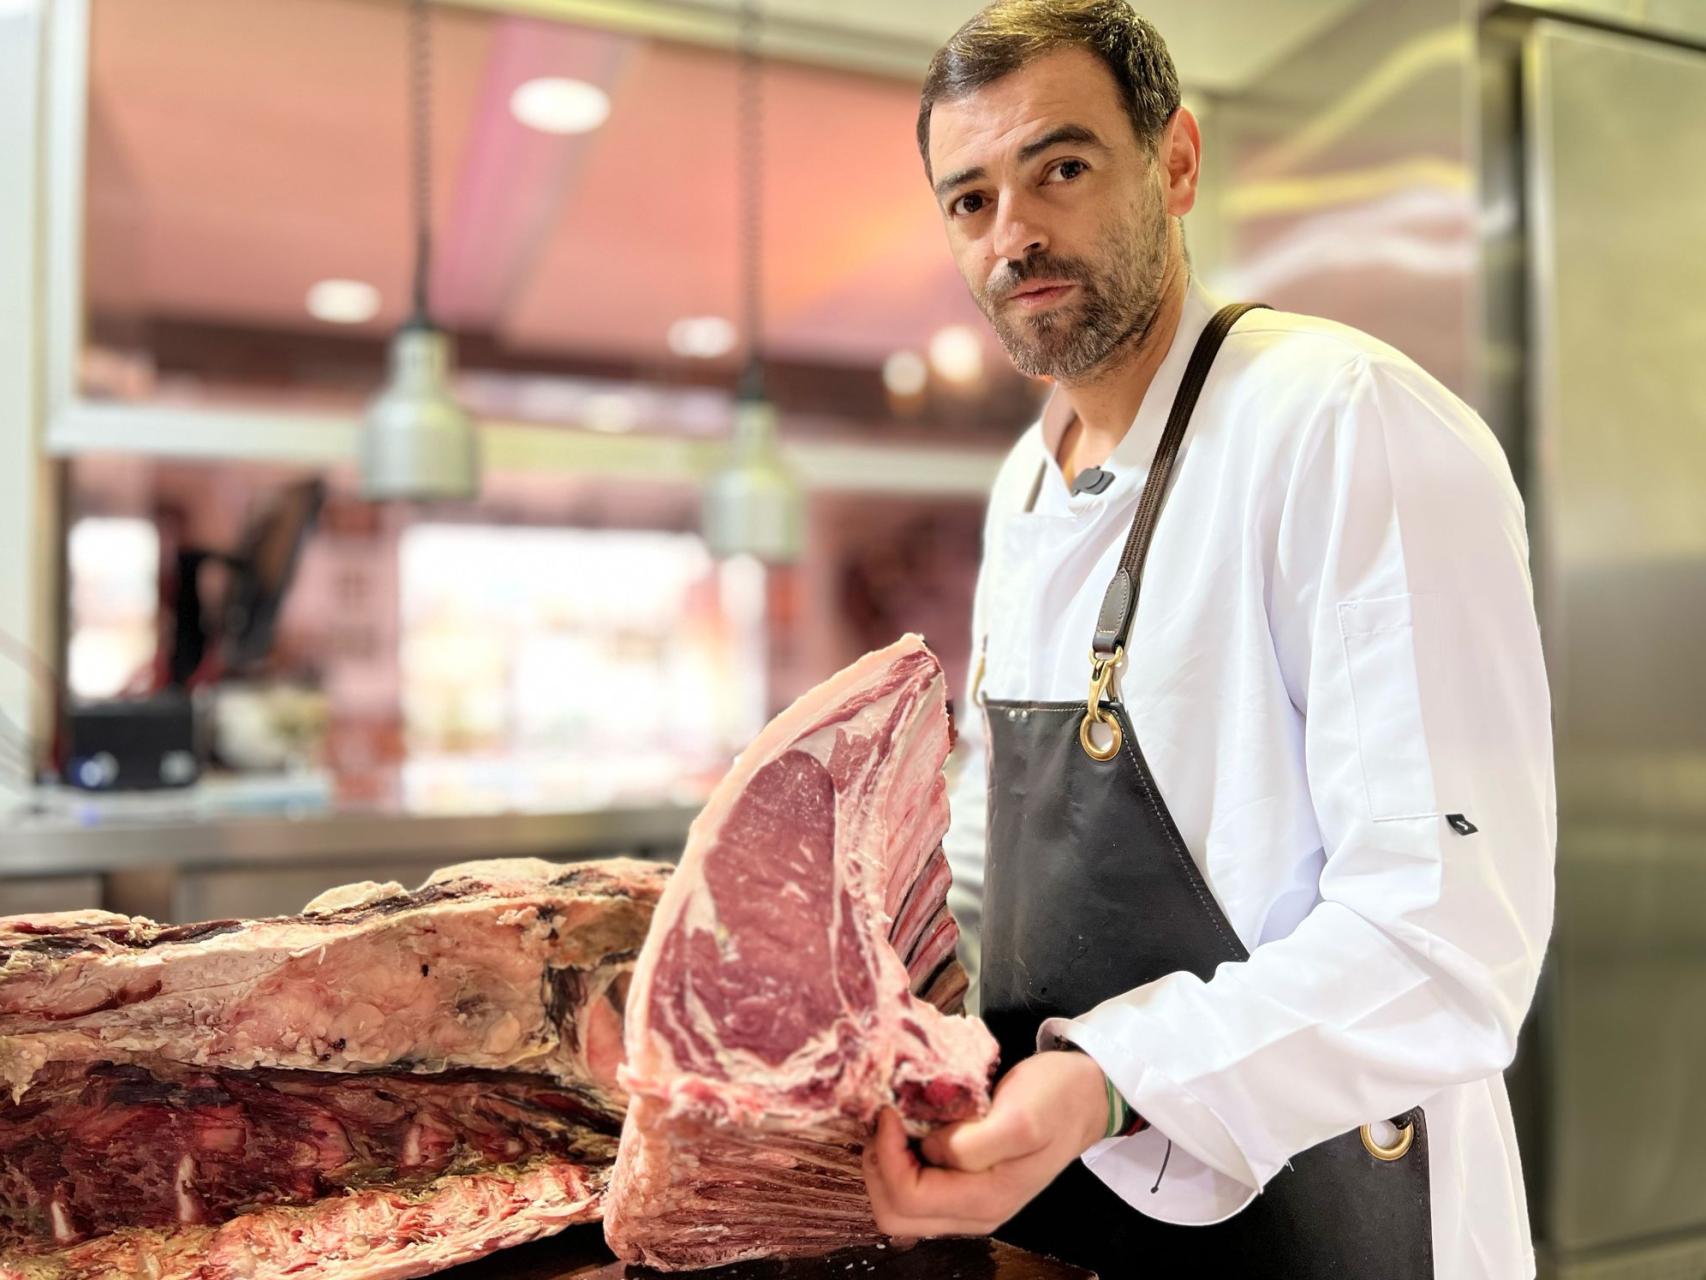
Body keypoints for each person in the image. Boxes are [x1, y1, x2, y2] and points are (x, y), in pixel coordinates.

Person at [859, 4, 1556, 1277]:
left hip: (1341, 1216)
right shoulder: (1026, 481)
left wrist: (1108, 1082)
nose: (1013, 233)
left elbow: (1445, 937)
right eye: (968, 200)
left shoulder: (1342, 423)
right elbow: (986, 853)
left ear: (1174, 162)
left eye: (1059, 168)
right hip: (1076, 1214)